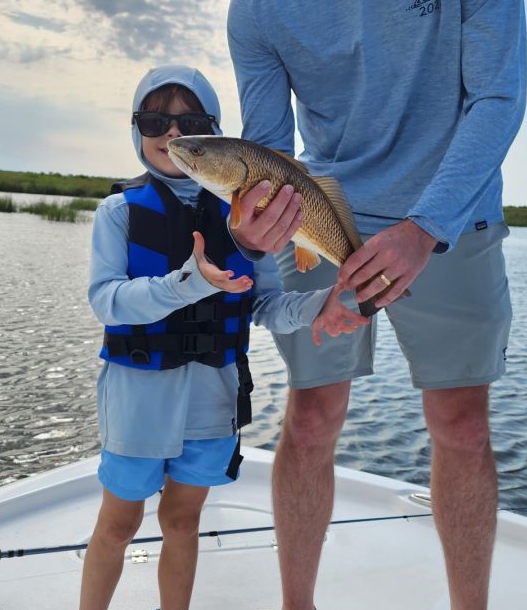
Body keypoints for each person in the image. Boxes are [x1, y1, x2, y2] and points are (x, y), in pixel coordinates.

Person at [227, 0, 527, 609]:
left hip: (455, 212)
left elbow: (499, 97)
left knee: (461, 425)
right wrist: (254, 238)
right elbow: (267, 162)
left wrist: (423, 229)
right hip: (330, 223)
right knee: (309, 419)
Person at [78, 64, 368, 610]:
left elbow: (265, 305)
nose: (170, 134)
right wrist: (189, 283)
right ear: (135, 130)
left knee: (183, 521)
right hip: (138, 397)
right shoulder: (117, 213)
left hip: (213, 399)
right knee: (117, 523)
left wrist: (319, 308)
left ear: (217, 135)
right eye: (153, 120)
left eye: (189, 123)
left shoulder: (254, 215)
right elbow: (107, 302)